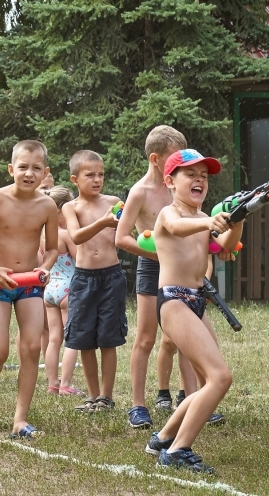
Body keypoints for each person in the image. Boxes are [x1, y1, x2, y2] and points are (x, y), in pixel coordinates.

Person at [144, 149, 239, 474]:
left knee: (205, 383)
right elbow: (178, 227)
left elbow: (225, 246)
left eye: (204, 175)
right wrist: (209, 223)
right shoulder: (168, 214)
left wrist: (234, 220)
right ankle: (178, 451)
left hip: (195, 303)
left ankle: (163, 437)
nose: (200, 179)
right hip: (174, 301)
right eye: (191, 174)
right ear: (170, 181)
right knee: (220, 378)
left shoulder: (203, 220)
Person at [0, 140, 58, 438]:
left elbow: (53, 248)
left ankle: (20, 419)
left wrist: (45, 268)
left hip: (29, 283)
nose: (29, 173)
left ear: (45, 173)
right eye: (23, 167)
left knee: (31, 348)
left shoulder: (47, 206)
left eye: (36, 168)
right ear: (11, 169)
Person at [115, 126, 194, 429]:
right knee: (146, 338)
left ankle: (192, 400)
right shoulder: (140, 192)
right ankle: (137, 405)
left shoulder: (179, 186)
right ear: (155, 158)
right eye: (176, 158)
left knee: (185, 338)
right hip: (152, 267)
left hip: (182, 268)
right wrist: (157, 255)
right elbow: (122, 238)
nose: (183, 166)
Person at [61, 150, 127, 413]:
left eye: (101, 174)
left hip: (111, 276)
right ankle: (92, 395)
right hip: (84, 279)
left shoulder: (113, 202)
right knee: (84, 339)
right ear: (75, 179)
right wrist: (103, 222)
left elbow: (127, 232)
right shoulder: (70, 207)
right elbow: (75, 237)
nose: (97, 179)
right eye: (90, 175)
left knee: (108, 338)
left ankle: (106, 397)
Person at [42, 186, 83, 397]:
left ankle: (52, 383)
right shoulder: (66, 235)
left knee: (53, 338)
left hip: (49, 291)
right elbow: (80, 259)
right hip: (68, 290)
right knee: (72, 338)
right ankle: (66, 385)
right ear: (60, 211)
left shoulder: (42, 235)